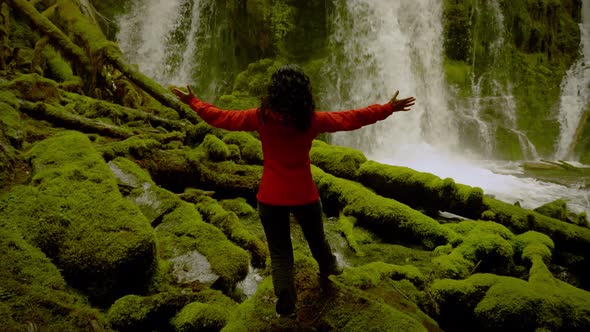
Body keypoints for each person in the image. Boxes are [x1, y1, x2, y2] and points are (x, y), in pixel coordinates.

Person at [172, 64, 415, 318]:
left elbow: (222, 117)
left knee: (279, 253)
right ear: (304, 93)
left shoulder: (260, 117)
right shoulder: (311, 120)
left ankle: (286, 299)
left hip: (270, 197)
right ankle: (330, 266)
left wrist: (194, 102)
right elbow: (351, 118)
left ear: (273, 92)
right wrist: (387, 108)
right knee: (317, 240)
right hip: (304, 195)